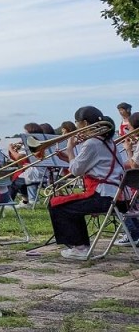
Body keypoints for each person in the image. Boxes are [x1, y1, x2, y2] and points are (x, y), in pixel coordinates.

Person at [49, 106, 126, 260]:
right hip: (118, 197)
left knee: (56, 204)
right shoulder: (110, 142)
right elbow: (93, 166)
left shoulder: (92, 143)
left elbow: (76, 170)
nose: (76, 127)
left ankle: (80, 247)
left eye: (77, 123)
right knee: (69, 205)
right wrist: (69, 158)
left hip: (102, 196)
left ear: (84, 123)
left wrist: (70, 149)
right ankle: (81, 245)